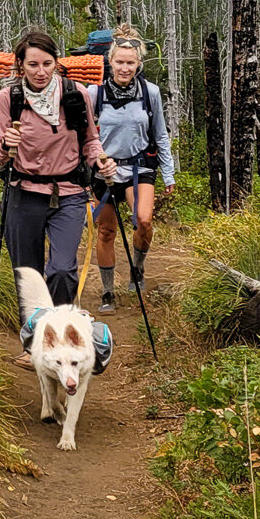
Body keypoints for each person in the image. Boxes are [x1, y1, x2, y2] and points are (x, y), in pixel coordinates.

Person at [0, 30, 117, 309]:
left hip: (69, 194)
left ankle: (57, 333)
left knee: (61, 269)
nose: (40, 72)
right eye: (33, 65)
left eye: (47, 64)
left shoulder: (75, 93)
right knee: (28, 276)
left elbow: (90, 141)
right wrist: (5, 146)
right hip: (23, 194)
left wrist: (101, 160)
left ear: (56, 63)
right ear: (20, 65)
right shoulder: (7, 98)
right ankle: (32, 343)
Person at [88, 35, 175, 313]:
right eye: (119, 62)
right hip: (104, 170)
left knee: (144, 220)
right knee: (106, 231)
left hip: (140, 166)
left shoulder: (150, 92)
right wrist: (93, 164)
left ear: (139, 64)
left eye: (130, 63)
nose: (125, 68)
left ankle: (137, 270)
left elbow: (160, 133)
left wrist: (169, 173)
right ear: (110, 62)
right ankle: (107, 292)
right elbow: (84, 135)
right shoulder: (94, 94)